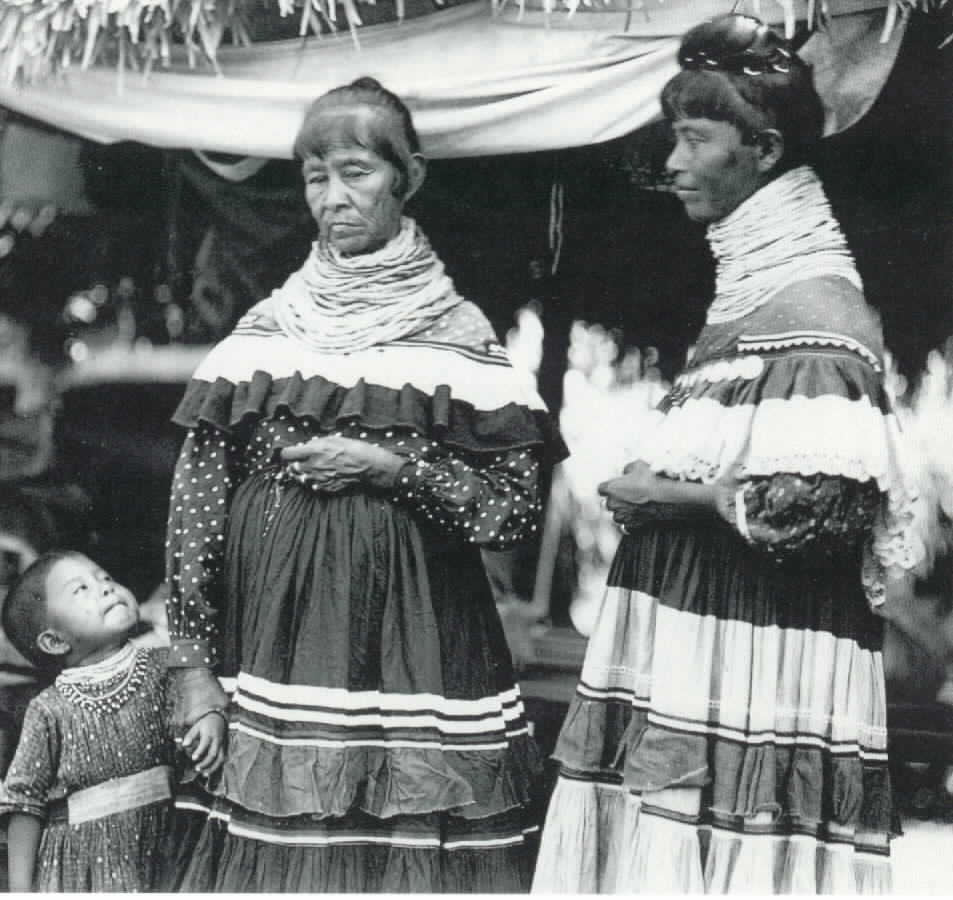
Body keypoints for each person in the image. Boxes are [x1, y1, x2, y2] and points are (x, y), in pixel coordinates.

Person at [532, 14, 922, 894]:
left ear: (763, 149)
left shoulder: (815, 312)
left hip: (759, 659)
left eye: (693, 138)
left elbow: (816, 508)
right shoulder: (746, 309)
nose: (670, 163)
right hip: (707, 651)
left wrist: (657, 495)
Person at [164, 76, 565, 893]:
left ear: (406, 176)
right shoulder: (267, 332)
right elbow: (195, 507)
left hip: (415, 646)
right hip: (271, 639)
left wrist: (393, 467)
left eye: (356, 172)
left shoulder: (459, 338)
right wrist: (192, 665)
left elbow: (513, 509)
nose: (333, 199)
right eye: (316, 177)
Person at [0, 551, 224, 891]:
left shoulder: (168, 666)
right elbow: (24, 803)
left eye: (106, 578)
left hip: (166, 851)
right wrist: (19, 891)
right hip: (83, 871)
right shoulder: (49, 710)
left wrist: (212, 717)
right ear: (54, 640)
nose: (106, 589)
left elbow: (202, 702)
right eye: (81, 590)